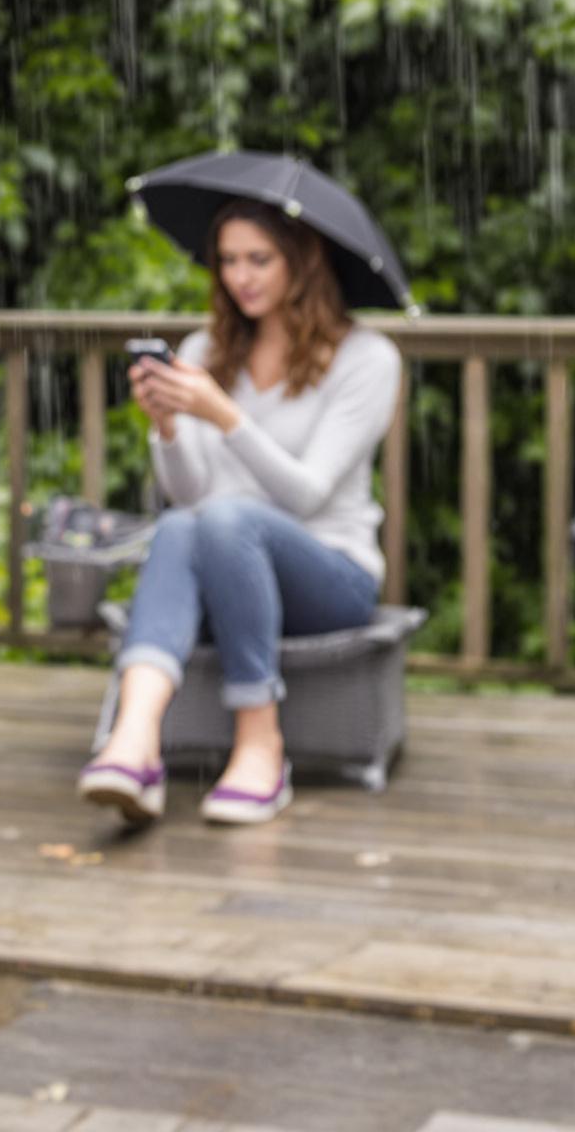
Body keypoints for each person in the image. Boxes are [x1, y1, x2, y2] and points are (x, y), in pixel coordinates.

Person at [77, 199, 402, 827]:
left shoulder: (367, 358)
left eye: (259, 259)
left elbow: (308, 494)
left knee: (228, 519)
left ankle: (261, 745)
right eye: (227, 261)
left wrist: (224, 414)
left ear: (302, 263)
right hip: (225, 564)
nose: (240, 277)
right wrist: (168, 426)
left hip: (332, 576)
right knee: (181, 525)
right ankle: (134, 740)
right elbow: (189, 496)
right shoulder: (206, 349)